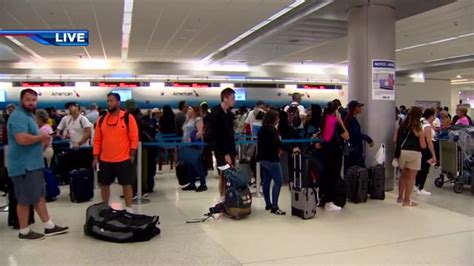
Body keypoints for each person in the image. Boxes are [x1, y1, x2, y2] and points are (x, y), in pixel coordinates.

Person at [7, 89, 68, 240]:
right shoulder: (18, 117)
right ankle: (24, 231)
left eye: (34, 100)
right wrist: (40, 137)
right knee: (24, 199)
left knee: (38, 196)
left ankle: (49, 226)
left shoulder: (29, 115)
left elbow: (31, 141)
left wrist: (42, 140)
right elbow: (21, 139)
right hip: (23, 166)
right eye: (28, 99)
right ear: (21, 100)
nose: (31, 102)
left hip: (33, 164)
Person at [92, 93, 139, 213]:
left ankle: (129, 208)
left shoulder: (128, 118)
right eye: (108, 101)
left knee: (126, 184)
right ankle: (105, 207)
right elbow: (97, 140)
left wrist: (132, 154)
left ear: (118, 102)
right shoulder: (101, 120)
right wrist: (96, 157)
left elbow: (134, 137)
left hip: (123, 159)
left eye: (112, 101)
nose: (109, 103)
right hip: (105, 160)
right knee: (104, 185)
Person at [258, 110, 299, 215]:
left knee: (266, 182)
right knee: (278, 181)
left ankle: (268, 203)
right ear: (274, 119)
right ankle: (275, 207)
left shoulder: (262, 129)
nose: (279, 119)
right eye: (277, 118)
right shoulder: (272, 130)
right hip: (272, 159)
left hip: (263, 158)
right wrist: (292, 149)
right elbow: (278, 143)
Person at [317, 102, 349, 211]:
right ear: (335, 111)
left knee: (326, 175)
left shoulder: (325, 120)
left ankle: (323, 198)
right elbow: (346, 136)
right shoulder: (334, 122)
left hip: (326, 153)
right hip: (335, 153)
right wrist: (340, 121)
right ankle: (329, 202)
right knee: (333, 176)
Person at [205, 88, 237, 198]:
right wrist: (225, 153)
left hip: (229, 150)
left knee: (230, 176)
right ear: (225, 98)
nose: (234, 100)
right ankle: (223, 198)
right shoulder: (216, 114)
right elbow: (216, 136)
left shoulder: (229, 115)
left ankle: (229, 198)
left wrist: (233, 151)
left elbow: (229, 135)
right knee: (224, 176)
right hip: (222, 152)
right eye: (232, 98)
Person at [395, 107, 427, 207]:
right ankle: (407, 200)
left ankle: (400, 197)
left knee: (403, 176)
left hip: (401, 153)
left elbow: (394, 139)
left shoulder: (401, 127)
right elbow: (423, 145)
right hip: (414, 154)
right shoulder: (418, 129)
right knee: (411, 178)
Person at [181, 106, 207, 192]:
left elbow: (200, 132)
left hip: (195, 145)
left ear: (194, 110)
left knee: (197, 164)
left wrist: (192, 138)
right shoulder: (188, 119)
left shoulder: (198, 119)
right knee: (190, 165)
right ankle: (192, 183)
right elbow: (184, 129)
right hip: (187, 145)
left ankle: (203, 183)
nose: (188, 110)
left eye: (190, 109)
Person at [344, 101, 374, 170]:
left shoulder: (350, 118)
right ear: (354, 109)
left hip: (353, 147)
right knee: (356, 167)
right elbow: (355, 134)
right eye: (359, 107)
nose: (361, 108)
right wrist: (368, 139)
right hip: (354, 148)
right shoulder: (351, 120)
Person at [415, 108, 437, 196]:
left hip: (420, 148)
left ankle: (416, 185)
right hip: (427, 149)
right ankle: (420, 187)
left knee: (420, 167)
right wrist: (433, 154)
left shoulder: (421, 122)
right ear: (431, 116)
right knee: (425, 168)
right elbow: (429, 141)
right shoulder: (427, 126)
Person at [158, 105, 176, 171]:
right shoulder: (173, 117)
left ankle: (160, 168)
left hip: (163, 136)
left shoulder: (162, 118)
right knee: (171, 151)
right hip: (171, 136)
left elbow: (159, 126)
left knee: (161, 152)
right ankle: (171, 167)